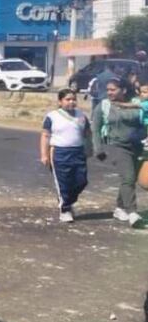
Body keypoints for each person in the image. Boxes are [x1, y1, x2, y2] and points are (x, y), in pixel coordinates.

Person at [92, 79, 144, 227]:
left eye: (113, 90)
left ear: (124, 90)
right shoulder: (103, 106)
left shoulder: (137, 102)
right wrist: (98, 149)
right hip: (116, 146)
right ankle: (132, 213)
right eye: (108, 90)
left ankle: (120, 208)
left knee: (131, 178)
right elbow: (95, 128)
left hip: (137, 146)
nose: (109, 92)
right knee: (128, 177)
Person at [40, 88, 92, 222]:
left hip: (78, 152)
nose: (71, 102)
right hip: (59, 153)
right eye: (68, 99)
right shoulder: (52, 116)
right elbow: (45, 136)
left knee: (81, 181)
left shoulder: (81, 116)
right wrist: (44, 155)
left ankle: (67, 201)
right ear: (60, 101)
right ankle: (65, 209)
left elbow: (87, 134)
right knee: (63, 182)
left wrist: (89, 149)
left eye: (74, 99)